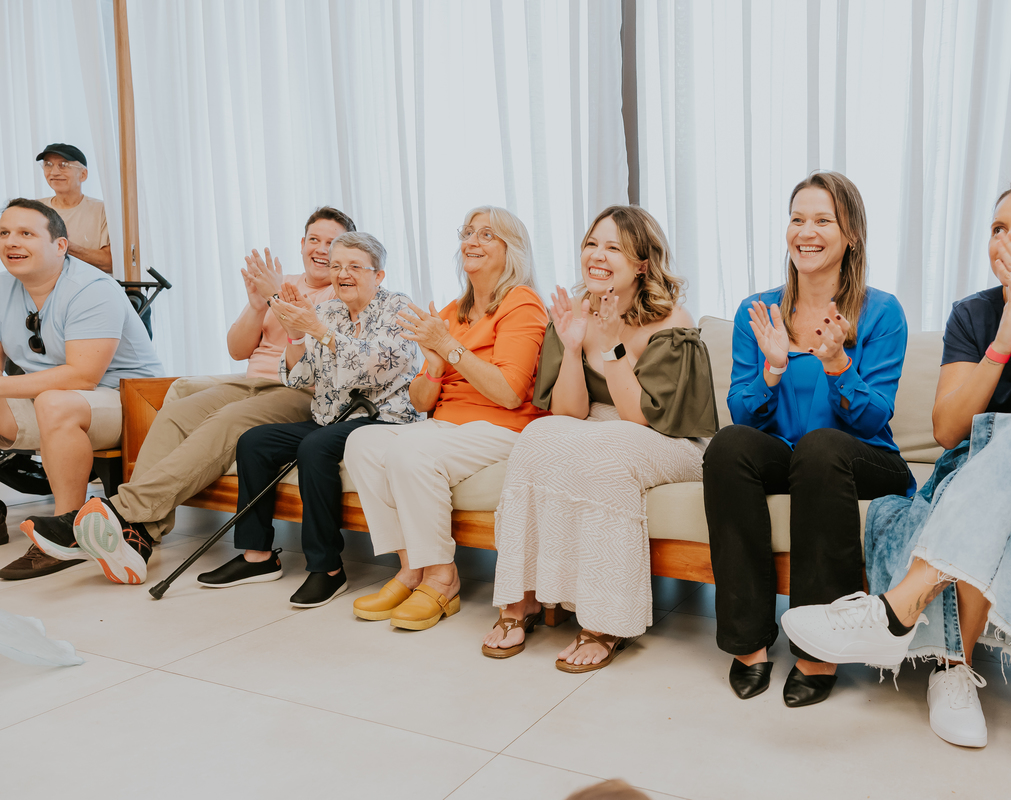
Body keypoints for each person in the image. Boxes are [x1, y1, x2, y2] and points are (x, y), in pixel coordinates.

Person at [781, 174, 1011, 748]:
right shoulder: (972, 314)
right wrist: (1001, 345)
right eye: (998, 229)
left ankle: (900, 610)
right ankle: (954, 672)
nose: (1007, 241)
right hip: (979, 473)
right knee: (984, 471)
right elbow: (947, 431)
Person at [19, 207, 351, 585]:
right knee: (176, 413)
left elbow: (321, 359)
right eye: (314, 239)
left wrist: (275, 295)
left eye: (331, 243)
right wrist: (258, 304)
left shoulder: (343, 290)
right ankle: (140, 537)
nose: (321, 249)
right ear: (302, 243)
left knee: (228, 422)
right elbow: (237, 349)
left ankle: (118, 512)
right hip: (250, 381)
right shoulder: (280, 282)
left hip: (300, 390)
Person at [701, 173, 911, 706]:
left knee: (820, 446)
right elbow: (742, 412)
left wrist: (838, 365)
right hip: (790, 456)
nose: (806, 232)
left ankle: (819, 650)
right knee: (728, 446)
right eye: (797, 219)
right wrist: (772, 368)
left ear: (851, 235)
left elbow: (874, 418)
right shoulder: (759, 311)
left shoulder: (882, 312)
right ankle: (748, 642)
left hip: (864, 457)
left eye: (823, 220)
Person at [485, 205, 717, 671]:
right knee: (537, 435)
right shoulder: (577, 313)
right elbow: (570, 412)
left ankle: (605, 620)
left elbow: (638, 418)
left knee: (609, 449)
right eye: (592, 243)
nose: (597, 255)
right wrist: (573, 347)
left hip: (669, 437)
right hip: (600, 427)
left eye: (613, 247)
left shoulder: (672, 320)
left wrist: (611, 344)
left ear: (642, 264)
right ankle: (521, 596)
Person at [344, 205, 546, 628]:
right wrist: (435, 363)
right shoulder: (454, 310)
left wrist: (449, 347)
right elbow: (421, 402)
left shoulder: (521, 303)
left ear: (512, 250)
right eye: (468, 232)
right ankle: (411, 568)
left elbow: (510, 393)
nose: (471, 241)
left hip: (500, 425)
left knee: (411, 450)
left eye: (486, 234)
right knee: (361, 441)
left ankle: (442, 578)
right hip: (446, 423)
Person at [197, 232, 420, 607]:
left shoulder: (398, 308)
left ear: (378, 275)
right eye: (336, 266)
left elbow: (376, 366)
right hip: (330, 418)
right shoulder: (329, 311)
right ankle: (257, 556)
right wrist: (296, 335)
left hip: (382, 420)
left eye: (353, 266)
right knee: (255, 441)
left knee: (315, 447)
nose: (342, 274)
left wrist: (318, 330)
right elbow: (302, 377)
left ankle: (327, 569)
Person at [0, 199, 163, 580]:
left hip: (131, 401)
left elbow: (82, 377)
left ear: (60, 245)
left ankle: (64, 532)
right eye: (4, 233)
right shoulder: (4, 287)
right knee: (52, 402)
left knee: (56, 402)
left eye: (26, 233)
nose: (11, 242)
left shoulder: (91, 288)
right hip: (52, 399)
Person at [36, 144, 111, 273]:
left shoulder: (103, 210)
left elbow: (108, 263)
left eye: (63, 165)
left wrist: (65, 246)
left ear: (83, 174)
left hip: (89, 284)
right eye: (48, 164)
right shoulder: (34, 210)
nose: (54, 172)